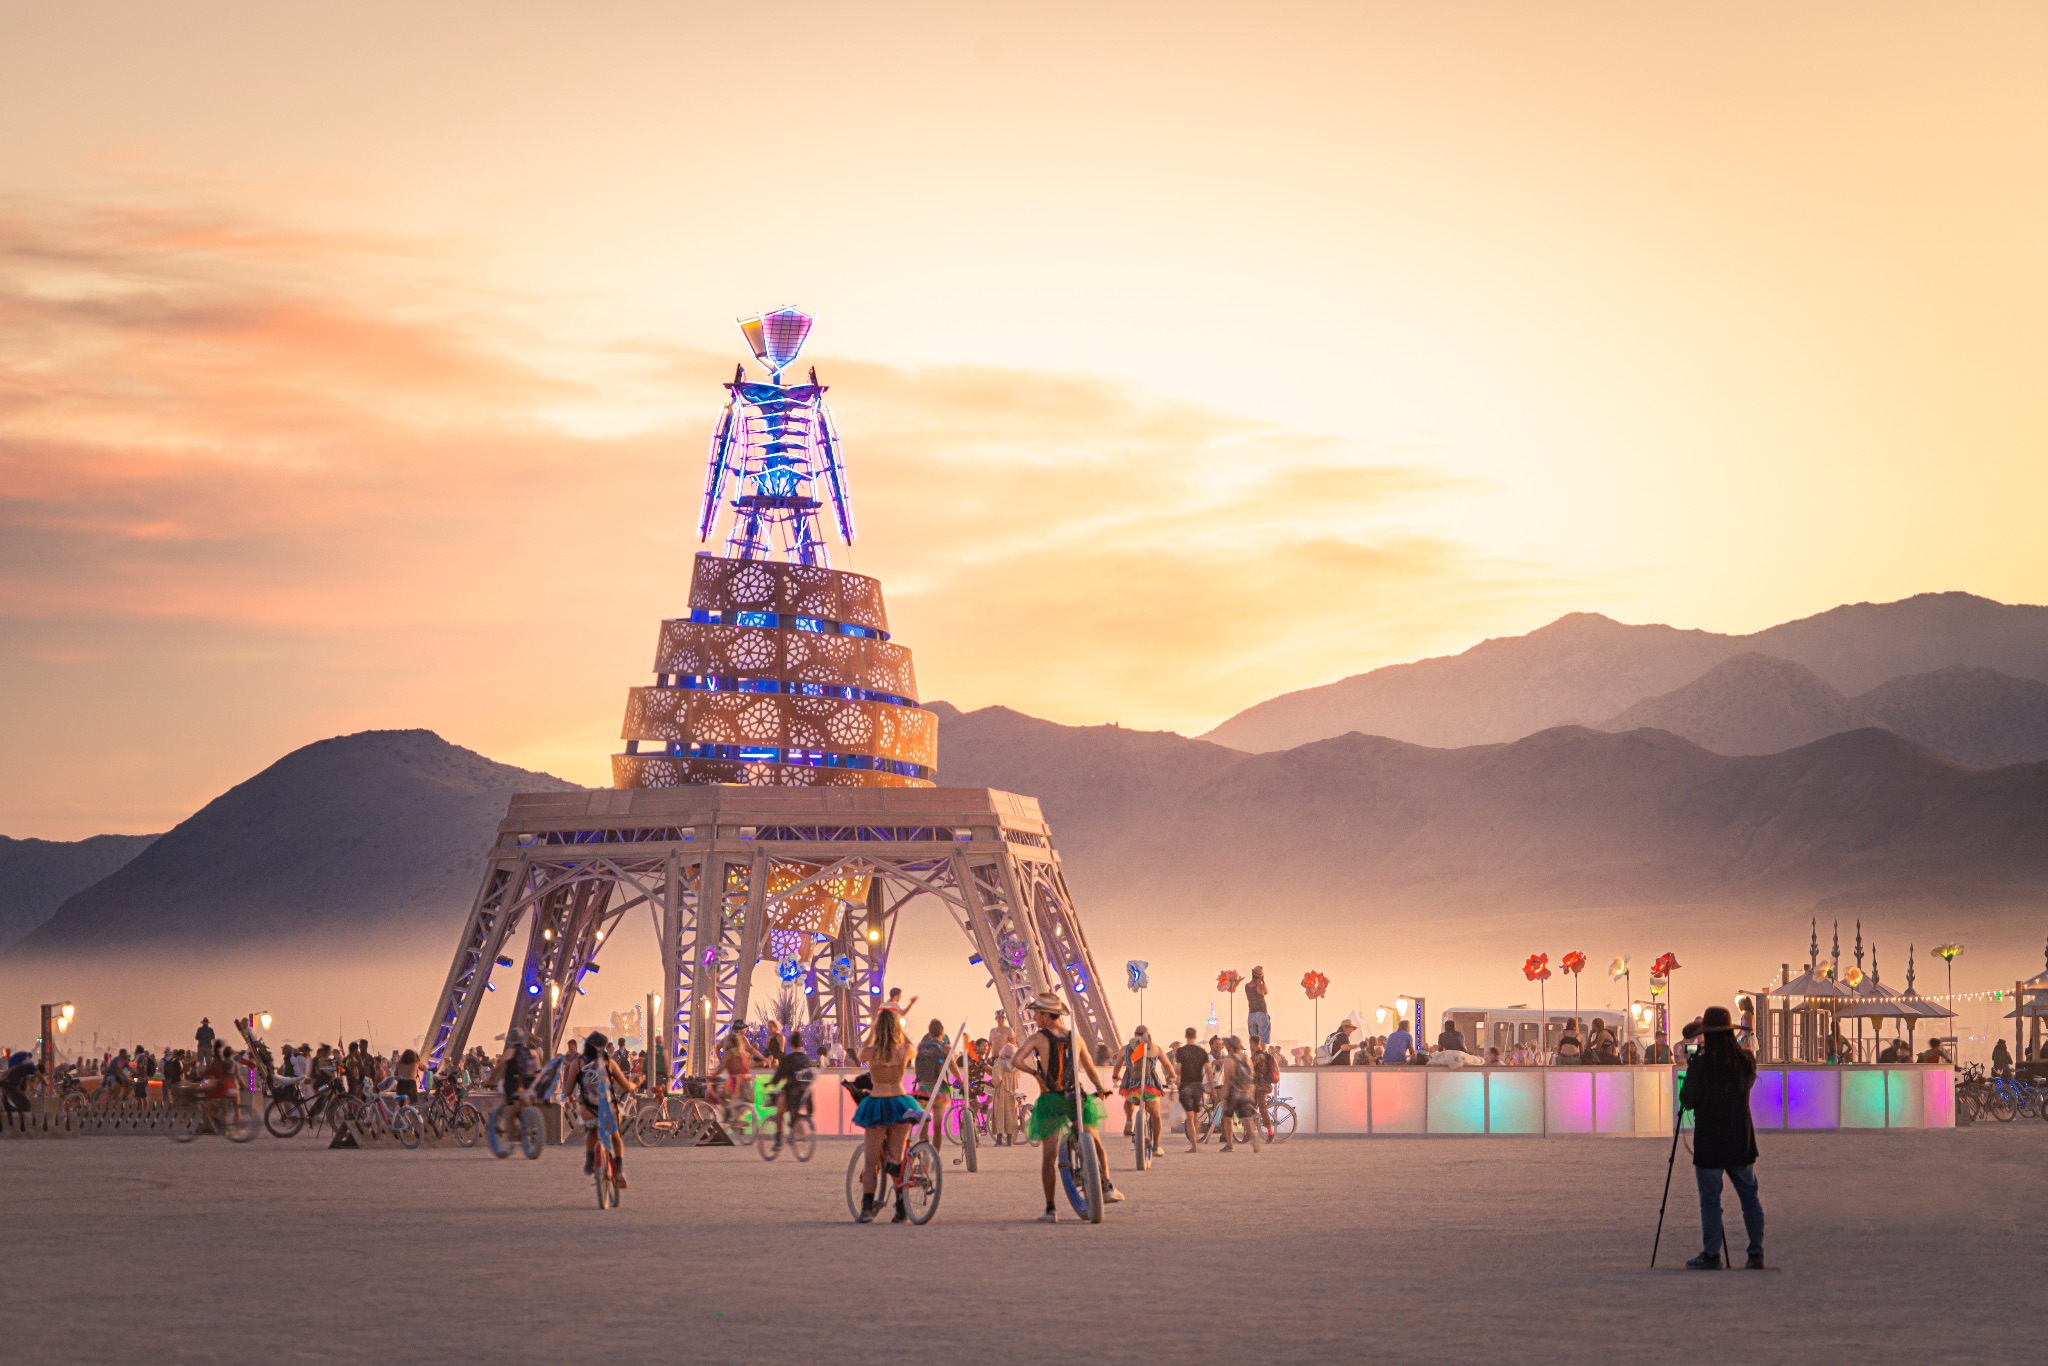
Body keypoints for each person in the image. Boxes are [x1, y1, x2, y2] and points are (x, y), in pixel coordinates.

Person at [1013, 993, 1122, 1220]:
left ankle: (1051, 1208)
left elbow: (1016, 1060)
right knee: (1094, 1141)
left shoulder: (1038, 1038)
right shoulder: (1076, 1038)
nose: (1034, 1017)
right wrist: (1100, 1088)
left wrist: (1036, 1074)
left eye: (1037, 1013)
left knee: (1049, 1155)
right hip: (1075, 1097)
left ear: (1045, 1015)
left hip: (1052, 1099)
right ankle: (1107, 1186)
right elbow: (1090, 1068)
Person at [1678, 1006, 1764, 1269]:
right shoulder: (1746, 1061)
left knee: (1710, 1200)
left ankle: (1712, 1254)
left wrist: (1693, 1067)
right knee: (1749, 1196)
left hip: (1710, 1139)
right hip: (1739, 1136)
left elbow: (1687, 1100)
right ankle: (1755, 1254)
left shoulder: (1702, 1064)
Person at [852, 1007, 923, 1223]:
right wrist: (901, 1029)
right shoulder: (902, 1050)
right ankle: (901, 1209)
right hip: (900, 1102)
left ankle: (866, 1208)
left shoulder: (872, 1053)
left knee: (872, 1160)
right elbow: (913, 1048)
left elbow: (860, 1053)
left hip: (877, 1101)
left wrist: (872, 1030)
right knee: (897, 1159)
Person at [574, 1031, 635, 1189]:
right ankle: (619, 1170)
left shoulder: (579, 1062)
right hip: (608, 1107)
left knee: (592, 1131)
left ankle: (589, 1161)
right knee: (615, 1136)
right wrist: (636, 1084)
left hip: (588, 1108)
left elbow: (567, 1090)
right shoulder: (609, 1062)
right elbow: (626, 1085)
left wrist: (569, 1098)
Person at [1116, 1025, 1168, 1154]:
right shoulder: (1156, 1049)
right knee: (1156, 1116)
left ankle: (1129, 1119)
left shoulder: (1124, 1049)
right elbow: (1168, 1066)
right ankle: (1156, 1146)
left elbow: (1117, 1065)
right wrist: (1172, 1076)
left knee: (1128, 1099)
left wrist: (1115, 1075)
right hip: (1149, 1086)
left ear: (1134, 1034)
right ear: (1147, 1035)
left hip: (1131, 1085)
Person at [767, 1031, 813, 1153]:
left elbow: (779, 1075)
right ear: (802, 1044)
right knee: (796, 1111)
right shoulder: (807, 1059)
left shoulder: (789, 1059)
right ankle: (796, 1130)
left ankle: (778, 1141)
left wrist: (770, 1083)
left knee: (779, 1112)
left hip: (792, 1093)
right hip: (805, 1094)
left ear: (790, 1045)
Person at [1215, 1037, 1263, 1152]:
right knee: (1246, 1118)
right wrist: (1251, 1094)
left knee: (1228, 1118)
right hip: (1245, 1091)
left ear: (1230, 1046)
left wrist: (1224, 1097)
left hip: (1233, 1091)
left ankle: (1229, 1145)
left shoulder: (1229, 1059)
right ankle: (1253, 1136)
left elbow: (1227, 1080)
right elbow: (1252, 1077)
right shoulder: (1246, 1058)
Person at [1173, 1027, 1208, 1153]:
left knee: (1189, 1117)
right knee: (1196, 1117)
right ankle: (1196, 1143)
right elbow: (1208, 1069)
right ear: (1196, 1036)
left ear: (1185, 1035)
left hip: (1186, 1085)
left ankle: (1194, 1146)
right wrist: (1212, 1089)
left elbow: (1178, 1069)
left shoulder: (1181, 1051)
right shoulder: (1201, 1051)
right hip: (1198, 1086)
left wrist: (1174, 1073)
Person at [992, 1041, 1022, 1146]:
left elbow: (996, 1079)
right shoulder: (1015, 1063)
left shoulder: (999, 1063)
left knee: (1000, 1115)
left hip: (1001, 1092)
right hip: (1012, 1094)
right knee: (1011, 1115)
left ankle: (999, 1140)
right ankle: (1009, 1140)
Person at [1245, 967, 1271, 1046]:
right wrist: (1262, 981)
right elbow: (1266, 992)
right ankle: (1262, 1056)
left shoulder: (1247, 986)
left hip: (1251, 1013)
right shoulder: (1260, 986)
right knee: (1262, 1038)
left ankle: (1253, 1057)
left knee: (1253, 1039)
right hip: (1261, 1012)